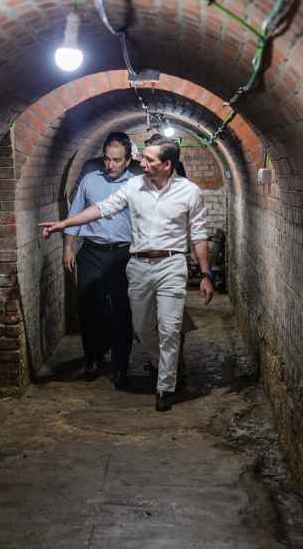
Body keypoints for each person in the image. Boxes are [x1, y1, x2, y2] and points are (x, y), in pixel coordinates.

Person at [41, 136, 213, 412]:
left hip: (172, 264)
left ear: (167, 164)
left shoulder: (190, 192)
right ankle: (163, 364)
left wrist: (206, 274)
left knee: (169, 329)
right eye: (142, 157)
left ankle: (165, 386)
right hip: (139, 265)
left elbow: (200, 235)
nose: (141, 162)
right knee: (142, 328)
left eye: (149, 159)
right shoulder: (134, 187)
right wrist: (64, 224)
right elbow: (101, 209)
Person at [63, 132, 137, 389]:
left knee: (122, 310)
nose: (111, 165)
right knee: (87, 308)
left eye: (117, 160)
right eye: (107, 159)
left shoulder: (137, 184)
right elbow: (75, 215)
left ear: (128, 161)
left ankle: (120, 364)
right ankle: (92, 357)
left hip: (124, 254)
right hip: (92, 252)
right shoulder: (89, 181)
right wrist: (69, 248)